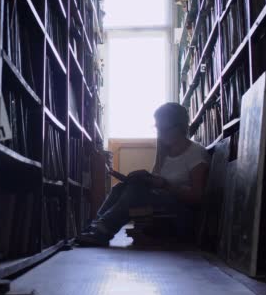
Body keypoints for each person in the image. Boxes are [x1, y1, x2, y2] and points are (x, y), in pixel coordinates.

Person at [76, 102, 210, 247]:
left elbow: (197, 197)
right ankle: (95, 228)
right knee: (120, 188)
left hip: (180, 211)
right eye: (157, 128)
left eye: (163, 128)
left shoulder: (196, 153)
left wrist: (165, 185)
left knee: (136, 191)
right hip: (163, 202)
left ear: (179, 128)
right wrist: (144, 179)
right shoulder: (165, 153)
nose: (159, 133)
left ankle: (102, 232)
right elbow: (155, 182)